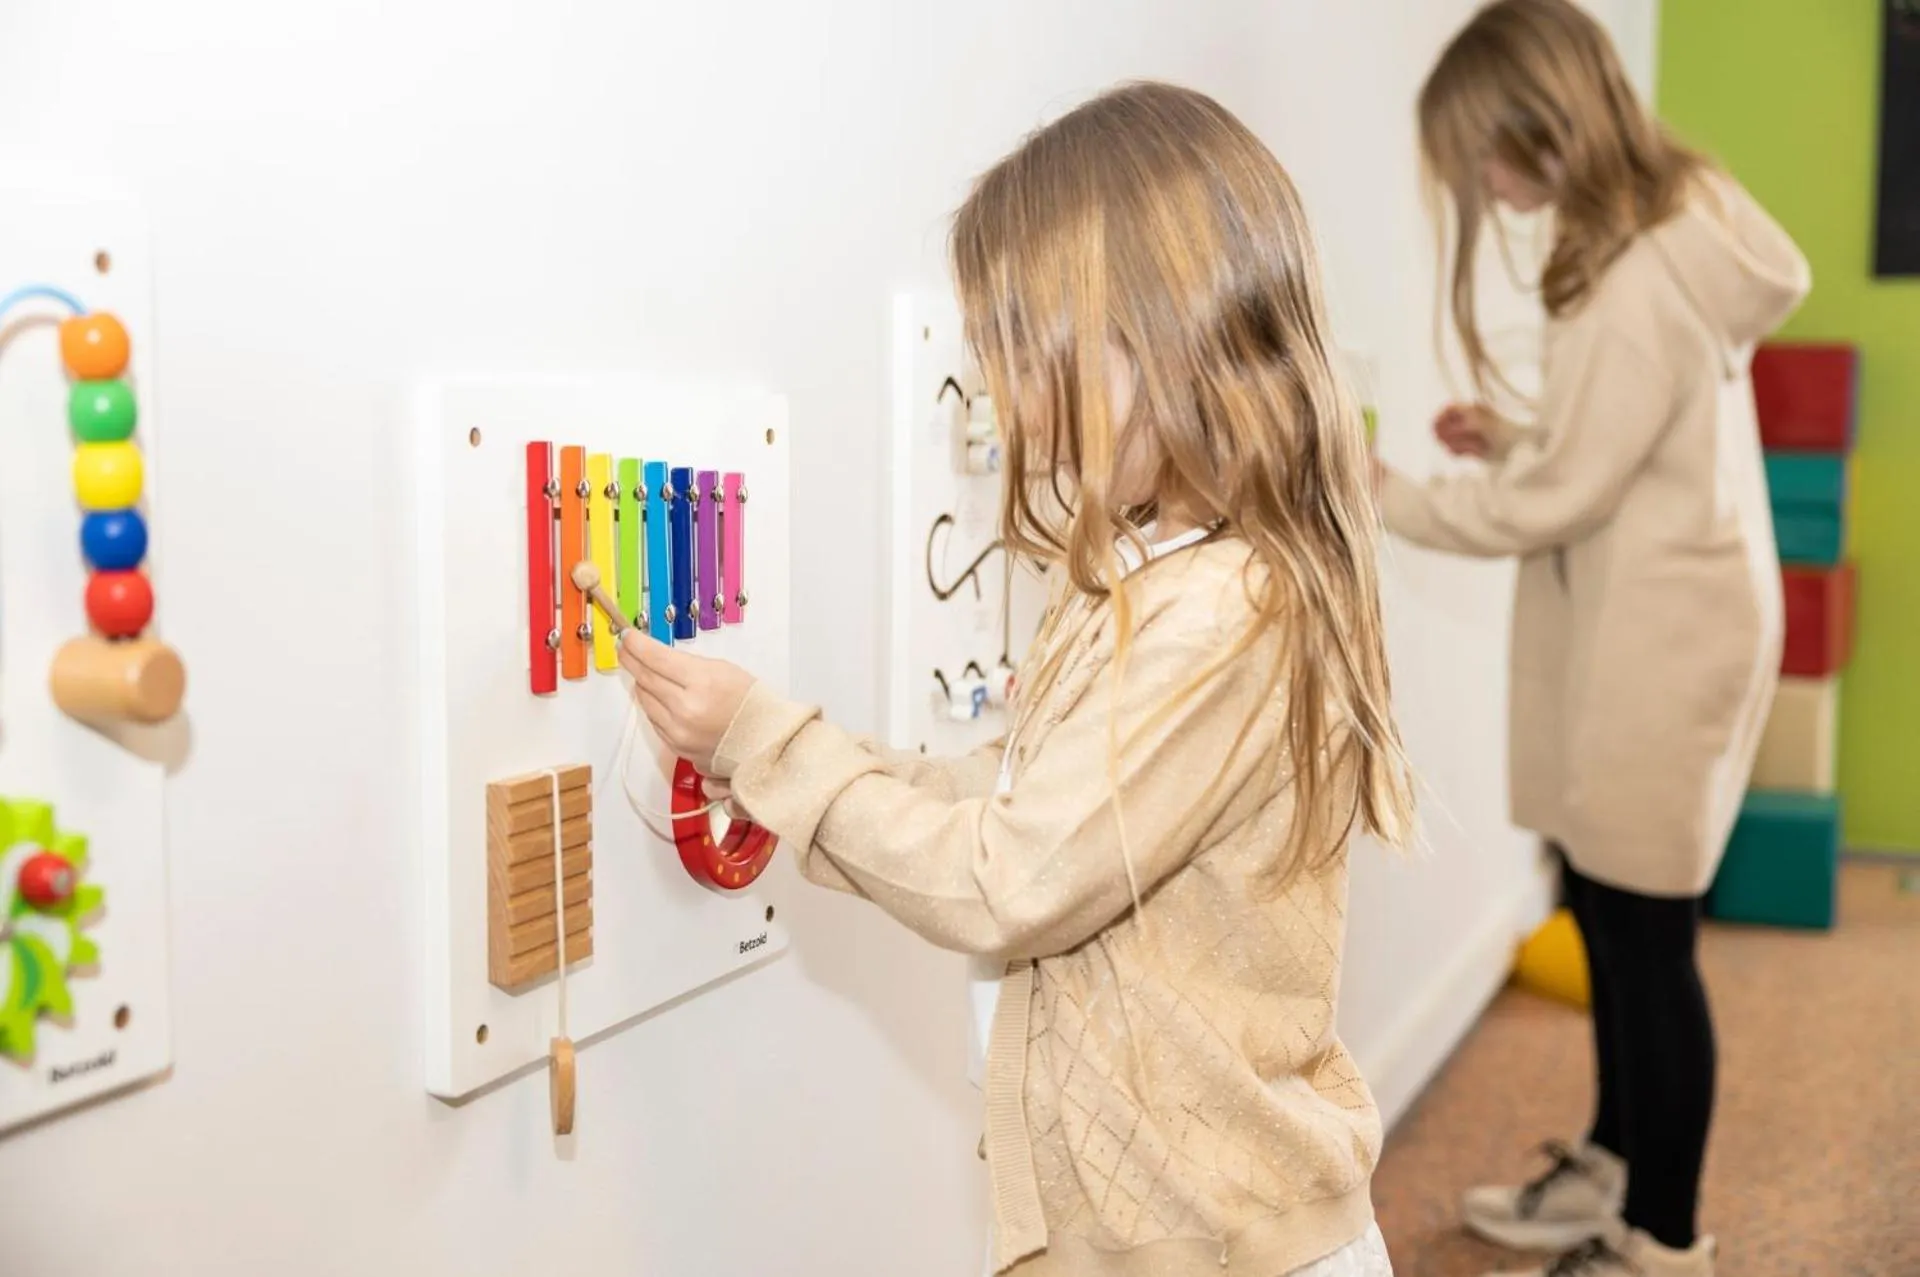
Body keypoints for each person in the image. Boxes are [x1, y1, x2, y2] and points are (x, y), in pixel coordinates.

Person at [621, 81, 1412, 1277]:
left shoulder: (1223, 614)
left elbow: (1010, 877)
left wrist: (768, 749)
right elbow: (1011, 789)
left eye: (1025, 358)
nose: (1007, 398)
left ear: (1162, 339)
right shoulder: (1163, 577)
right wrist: (771, 750)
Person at [1377, 3, 1810, 1276]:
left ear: (1539, 127)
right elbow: (1624, 456)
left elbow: (1563, 501)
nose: (1488, 192)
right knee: (1609, 909)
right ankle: (1619, 1166)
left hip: (1669, 633)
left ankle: (1662, 1238)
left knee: (1648, 937)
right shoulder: (1654, 238)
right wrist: (1518, 436)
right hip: (1659, 607)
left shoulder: (1637, 278)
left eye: (1489, 162)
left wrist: (1384, 491)